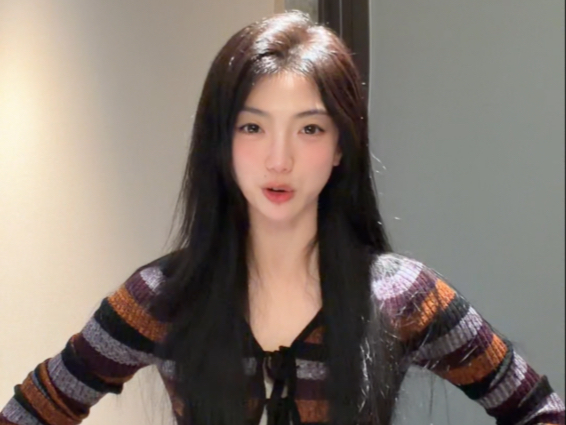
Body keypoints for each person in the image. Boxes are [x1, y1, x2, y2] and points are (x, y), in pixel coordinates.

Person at [0, 11, 563, 425]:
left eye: (310, 129)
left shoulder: (402, 295)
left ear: (341, 147)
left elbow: (539, 410)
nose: (279, 159)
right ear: (222, 143)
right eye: (252, 127)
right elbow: (32, 410)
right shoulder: (164, 296)